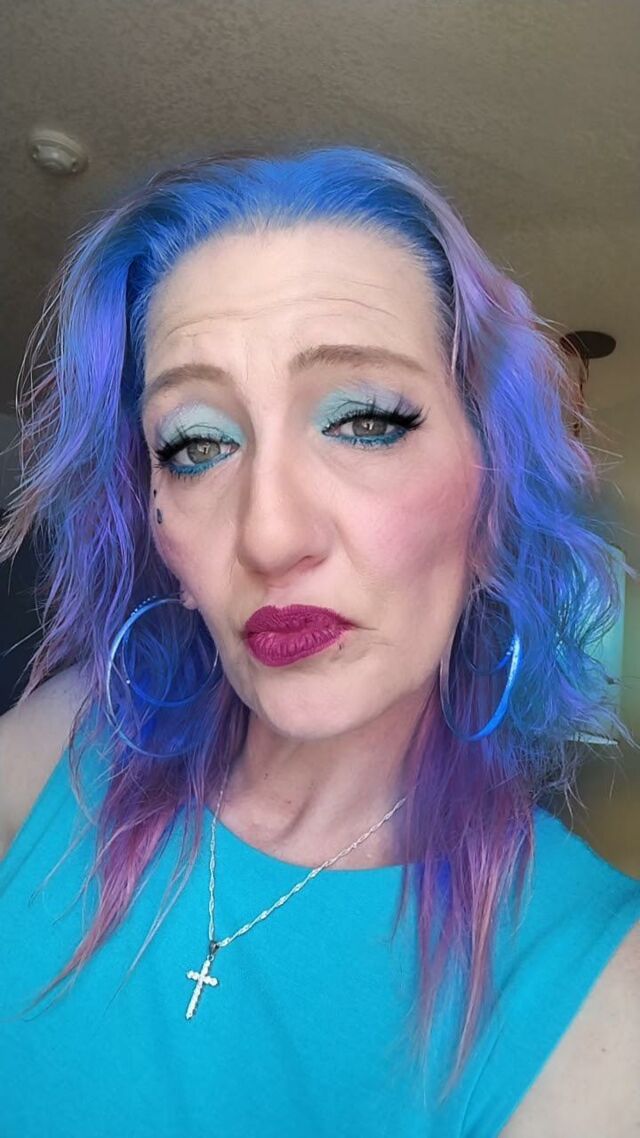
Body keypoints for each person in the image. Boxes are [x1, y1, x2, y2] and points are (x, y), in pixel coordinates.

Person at [0, 144, 638, 1137]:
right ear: (161, 529)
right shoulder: (75, 740)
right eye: (196, 444)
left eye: (365, 420)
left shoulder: (598, 991)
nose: (269, 534)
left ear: (493, 502)